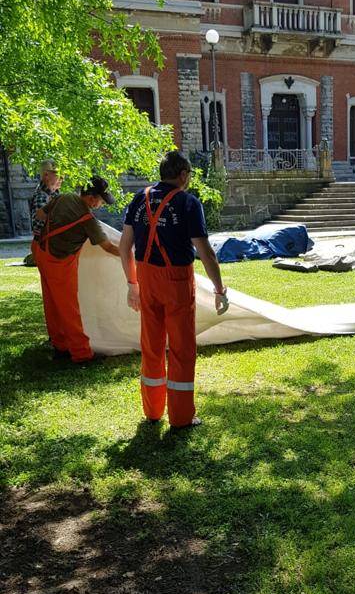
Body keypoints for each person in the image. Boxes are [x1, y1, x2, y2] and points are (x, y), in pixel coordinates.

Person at [119, 150, 228, 431]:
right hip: (176, 281)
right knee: (181, 349)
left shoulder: (138, 199)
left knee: (151, 346)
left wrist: (132, 284)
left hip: (146, 278)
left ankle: (153, 411)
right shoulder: (188, 203)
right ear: (182, 175)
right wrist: (219, 288)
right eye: (189, 175)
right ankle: (181, 417)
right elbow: (206, 253)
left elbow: (124, 246)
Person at [32, 176, 120, 363]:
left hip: (42, 251)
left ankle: (60, 346)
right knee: (69, 308)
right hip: (59, 262)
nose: (101, 205)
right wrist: (132, 256)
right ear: (92, 198)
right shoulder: (88, 220)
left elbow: (40, 214)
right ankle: (81, 354)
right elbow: (109, 247)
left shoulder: (64, 197)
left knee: (52, 304)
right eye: (101, 201)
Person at [24, 159, 63, 266]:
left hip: (51, 245)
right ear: (46, 175)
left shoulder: (55, 195)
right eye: (58, 174)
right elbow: (40, 225)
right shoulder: (41, 196)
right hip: (44, 245)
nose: (62, 178)